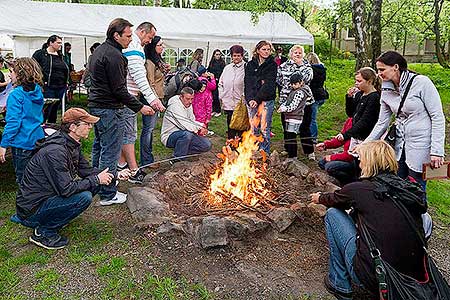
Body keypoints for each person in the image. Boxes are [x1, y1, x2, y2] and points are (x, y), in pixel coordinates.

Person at [311, 140, 428, 299]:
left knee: (333, 215)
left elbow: (332, 199)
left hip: (379, 279)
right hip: (414, 278)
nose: (359, 164)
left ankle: (339, 283)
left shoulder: (359, 189)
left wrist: (318, 197)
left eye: (362, 159)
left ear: (369, 162)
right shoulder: (408, 189)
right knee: (424, 219)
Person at [12, 108, 131, 250]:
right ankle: (43, 232)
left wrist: (116, 175)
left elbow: (86, 170)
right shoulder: (56, 151)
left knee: (95, 183)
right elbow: (66, 189)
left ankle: (56, 216)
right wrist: (97, 179)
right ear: (73, 127)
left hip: (47, 197)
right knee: (84, 197)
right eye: (87, 124)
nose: (90, 127)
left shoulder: (71, 143)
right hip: (32, 210)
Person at [87, 18, 154, 205]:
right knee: (110, 150)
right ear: (116, 35)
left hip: (97, 105)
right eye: (128, 35)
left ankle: (96, 182)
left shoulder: (100, 50)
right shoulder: (115, 56)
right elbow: (119, 90)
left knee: (99, 145)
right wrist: (140, 106)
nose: (130, 39)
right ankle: (108, 194)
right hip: (108, 107)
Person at [366, 51, 445, 192]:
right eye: (378, 70)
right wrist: (366, 144)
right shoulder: (386, 89)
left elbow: (437, 116)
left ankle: (419, 214)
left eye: (382, 69)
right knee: (398, 185)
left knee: (417, 188)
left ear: (395, 67)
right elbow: (382, 122)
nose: (379, 74)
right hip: (399, 144)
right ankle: (401, 213)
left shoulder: (422, 83)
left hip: (421, 144)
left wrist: (437, 151)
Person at [119, 22, 164, 184]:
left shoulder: (135, 46)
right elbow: (139, 77)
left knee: (123, 133)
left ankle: (121, 165)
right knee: (129, 134)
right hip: (127, 98)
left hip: (127, 97)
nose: (150, 41)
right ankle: (133, 170)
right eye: (150, 37)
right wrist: (153, 100)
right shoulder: (135, 48)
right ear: (142, 31)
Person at [0, 58, 45, 184]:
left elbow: (14, 123)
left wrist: (3, 145)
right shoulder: (37, 90)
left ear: (20, 74)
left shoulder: (15, 95)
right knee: (37, 177)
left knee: (24, 181)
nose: (9, 74)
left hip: (22, 142)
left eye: (11, 71)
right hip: (37, 138)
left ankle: (27, 203)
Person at [276, 45, 314, 159]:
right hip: (286, 101)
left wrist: (299, 65)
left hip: (304, 103)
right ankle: (289, 149)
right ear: (290, 54)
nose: (297, 54)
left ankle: (309, 151)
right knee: (287, 127)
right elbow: (279, 79)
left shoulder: (307, 66)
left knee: (304, 127)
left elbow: (308, 78)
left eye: (300, 53)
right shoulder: (283, 66)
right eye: (295, 52)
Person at [244, 40, 277, 154]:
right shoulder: (250, 64)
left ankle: (264, 153)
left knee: (264, 128)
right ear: (258, 50)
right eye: (264, 49)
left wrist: (257, 99)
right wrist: (250, 99)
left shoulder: (272, 65)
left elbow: (268, 85)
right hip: (252, 99)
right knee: (254, 128)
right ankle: (254, 151)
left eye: (268, 49)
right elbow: (248, 83)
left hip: (266, 100)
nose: (266, 52)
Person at [336, 67, 381, 150]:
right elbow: (351, 113)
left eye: (359, 81)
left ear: (369, 81)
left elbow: (365, 120)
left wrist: (346, 135)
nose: (356, 83)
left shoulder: (374, 98)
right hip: (356, 135)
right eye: (356, 81)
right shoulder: (359, 94)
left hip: (367, 137)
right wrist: (349, 98)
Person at [142, 35, 170, 167]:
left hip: (157, 97)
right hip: (152, 99)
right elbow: (150, 83)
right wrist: (155, 101)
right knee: (148, 130)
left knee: (151, 129)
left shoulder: (157, 60)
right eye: (160, 45)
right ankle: (146, 160)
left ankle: (148, 158)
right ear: (153, 46)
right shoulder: (149, 62)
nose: (162, 47)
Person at [161, 87, 212, 159]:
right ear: (181, 97)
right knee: (186, 135)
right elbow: (184, 124)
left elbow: (191, 120)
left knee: (206, 145)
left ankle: (182, 152)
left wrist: (200, 128)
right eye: (188, 99)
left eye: (192, 99)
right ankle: (177, 159)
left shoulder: (188, 104)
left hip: (186, 133)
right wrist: (200, 126)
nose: (190, 101)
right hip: (169, 136)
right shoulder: (174, 106)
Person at [32, 35, 69, 123]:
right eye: (58, 43)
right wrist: (39, 82)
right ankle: (41, 126)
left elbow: (66, 69)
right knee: (46, 108)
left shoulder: (61, 55)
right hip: (47, 86)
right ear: (51, 43)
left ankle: (52, 127)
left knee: (55, 108)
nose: (60, 45)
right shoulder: (40, 54)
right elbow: (32, 67)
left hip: (60, 86)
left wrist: (66, 83)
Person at [316, 118, 357, 185]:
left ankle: (351, 182)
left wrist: (332, 157)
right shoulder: (350, 120)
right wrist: (326, 145)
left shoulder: (362, 125)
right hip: (347, 156)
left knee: (330, 167)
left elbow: (351, 154)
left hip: (355, 160)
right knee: (322, 163)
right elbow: (340, 139)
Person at [218, 45, 246, 139]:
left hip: (241, 102)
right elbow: (220, 83)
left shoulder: (246, 67)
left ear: (242, 56)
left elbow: (249, 84)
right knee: (230, 124)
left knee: (241, 125)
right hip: (228, 101)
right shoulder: (227, 68)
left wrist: (245, 96)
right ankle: (231, 144)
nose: (236, 58)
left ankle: (242, 146)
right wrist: (221, 95)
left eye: (238, 55)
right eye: (234, 56)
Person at [306, 52, 328, 143]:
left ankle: (313, 137)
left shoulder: (310, 70)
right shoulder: (322, 69)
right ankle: (309, 133)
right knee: (311, 117)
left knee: (312, 118)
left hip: (314, 95)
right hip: (321, 95)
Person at [207, 49, 225, 116]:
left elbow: (223, 72)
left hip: (218, 81)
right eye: (217, 54)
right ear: (214, 55)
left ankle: (218, 110)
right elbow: (209, 69)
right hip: (212, 81)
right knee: (212, 96)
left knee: (216, 96)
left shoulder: (222, 63)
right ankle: (214, 109)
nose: (218, 56)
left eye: (219, 54)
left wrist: (218, 78)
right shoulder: (212, 62)